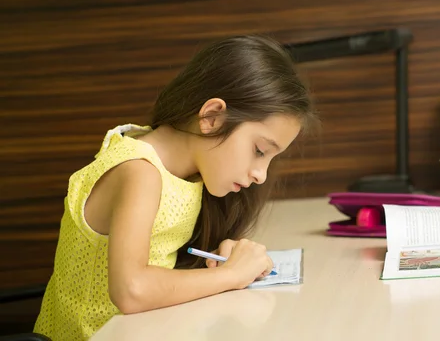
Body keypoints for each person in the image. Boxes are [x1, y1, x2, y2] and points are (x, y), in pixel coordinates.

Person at [33, 34, 319, 340]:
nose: (261, 174)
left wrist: (216, 258)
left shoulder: (190, 173)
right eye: (260, 151)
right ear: (212, 117)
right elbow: (131, 290)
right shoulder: (139, 171)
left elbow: (158, 256)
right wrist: (230, 275)